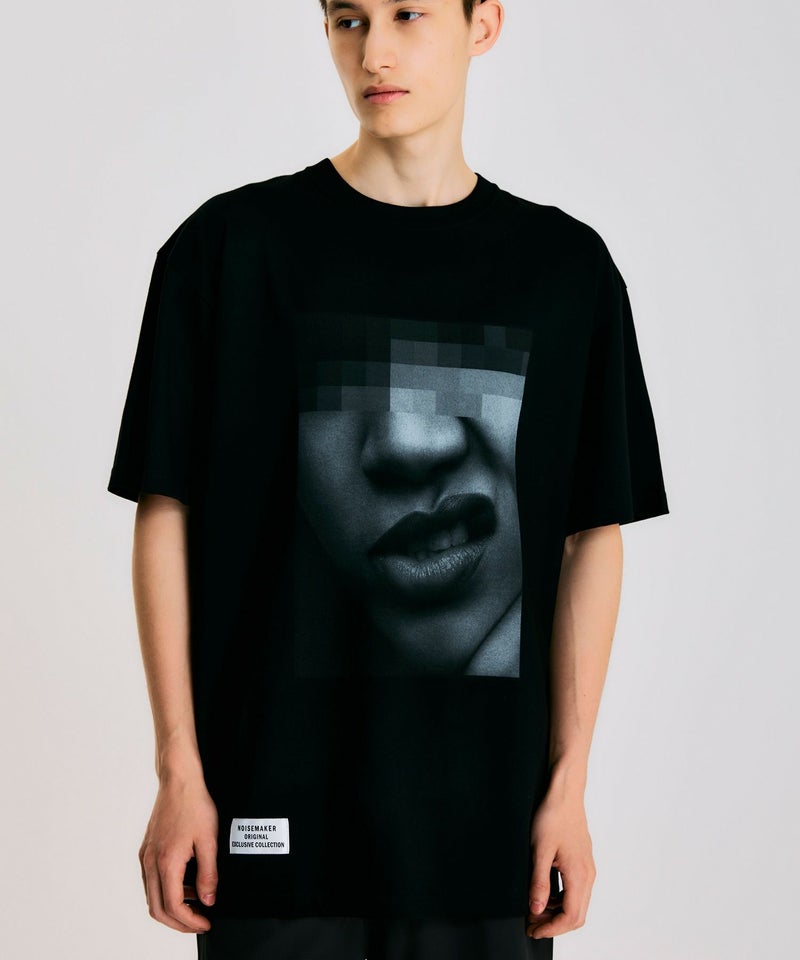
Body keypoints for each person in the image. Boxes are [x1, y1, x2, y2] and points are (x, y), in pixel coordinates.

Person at [106, 0, 670, 957]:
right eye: (349, 21)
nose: (376, 52)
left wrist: (569, 787)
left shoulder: (566, 271)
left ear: (483, 25)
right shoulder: (229, 251)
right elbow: (167, 510)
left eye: (409, 13)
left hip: (491, 846)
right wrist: (179, 772)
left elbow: (590, 534)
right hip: (267, 834)